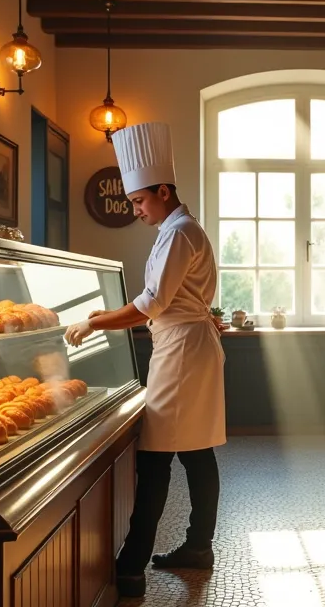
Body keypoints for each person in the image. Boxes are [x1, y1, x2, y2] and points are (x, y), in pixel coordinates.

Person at [64, 122, 226, 599]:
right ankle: (198, 546)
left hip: (181, 354)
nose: (135, 211)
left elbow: (150, 304)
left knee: (157, 460)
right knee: (196, 454)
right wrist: (108, 315)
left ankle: (132, 565)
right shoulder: (179, 228)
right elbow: (167, 300)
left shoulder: (178, 234)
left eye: (139, 202)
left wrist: (95, 323)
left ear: (161, 190)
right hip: (187, 348)